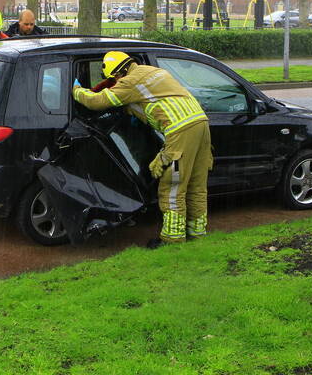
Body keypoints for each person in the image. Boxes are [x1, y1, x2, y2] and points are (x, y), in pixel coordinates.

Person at [72, 51, 212, 248]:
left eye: (115, 78)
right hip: (201, 124)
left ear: (119, 72)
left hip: (180, 131)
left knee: (171, 186)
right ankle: (197, 234)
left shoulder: (130, 82)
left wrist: (78, 90)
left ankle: (172, 239)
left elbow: (98, 101)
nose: (116, 81)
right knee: (196, 185)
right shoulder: (153, 71)